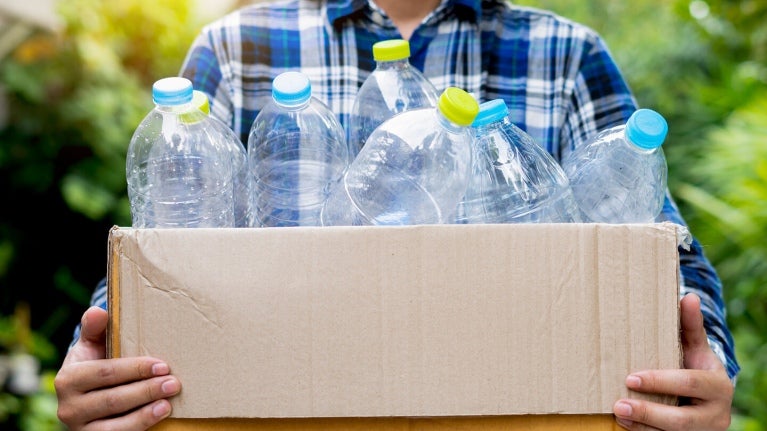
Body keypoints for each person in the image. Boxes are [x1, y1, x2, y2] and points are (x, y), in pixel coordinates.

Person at [55, 1, 739, 430]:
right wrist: (111, 358)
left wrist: (703, 376)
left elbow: (660, 253)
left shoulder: (566, 54)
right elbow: (167, 243)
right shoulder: (236, 50)